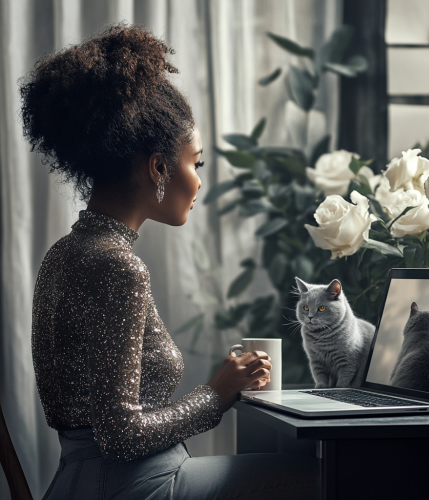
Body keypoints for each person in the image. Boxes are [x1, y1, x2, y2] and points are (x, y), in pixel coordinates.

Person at [21, 24, 319, 499]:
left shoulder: (64, 254)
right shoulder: (119, 267)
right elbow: (120, 435)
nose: (199, 182)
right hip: (132, 485)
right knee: (324, 479)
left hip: (77, 483)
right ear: (159, 167)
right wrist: (217, 393)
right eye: (195, 163)